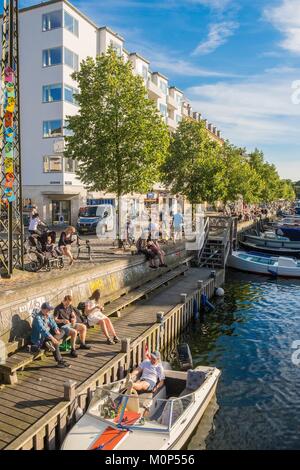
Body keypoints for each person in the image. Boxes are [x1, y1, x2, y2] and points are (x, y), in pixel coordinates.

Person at [30, 302, 70, 368]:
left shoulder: (47, 315)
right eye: (48, 309)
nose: (49, 311)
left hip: (48, 336)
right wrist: (52, 338)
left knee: (63, 330)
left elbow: (53, 323)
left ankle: (49, 342)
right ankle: (60, 361)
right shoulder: (37, 318)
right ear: (43, 309)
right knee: (55, 343)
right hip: (39, 339)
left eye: (50, 309)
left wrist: (56, 329)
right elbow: (43, 330)